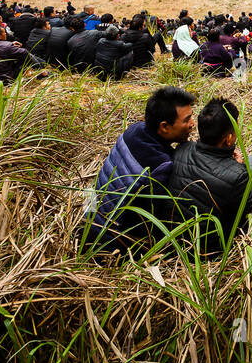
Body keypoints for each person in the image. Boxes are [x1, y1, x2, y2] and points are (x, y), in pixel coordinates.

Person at [84, 86, 198, 253]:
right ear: (164, 126)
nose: (192, 124)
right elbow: (157, 222)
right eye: (187, 120)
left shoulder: (135, 130)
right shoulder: (160, 168)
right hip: (110, 244)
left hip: (92, 221)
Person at [168, 97, 252, 254]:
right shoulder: (238, 176)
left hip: (174, 238)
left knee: (250, 167)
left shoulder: (182, 148)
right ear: (229, 138)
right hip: (207, 249)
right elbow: (250, 212)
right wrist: (240, 169)